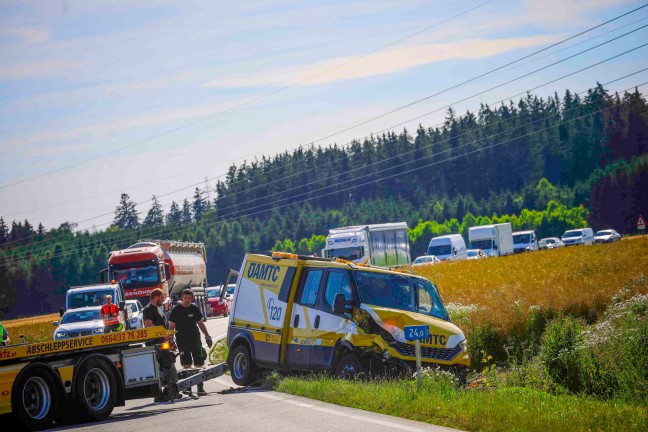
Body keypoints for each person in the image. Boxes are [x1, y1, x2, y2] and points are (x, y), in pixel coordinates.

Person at [168, 289, 212, 397]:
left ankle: (200, 389)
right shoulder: (176, 310)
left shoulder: (194, 308)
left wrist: (207, 336)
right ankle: (188, 389)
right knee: (187, 365)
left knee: (199, 364)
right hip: (182, 341)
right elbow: (172, 326)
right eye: (185, 298)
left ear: (192, 298)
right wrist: (171, 340)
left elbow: (200, 323)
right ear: (182, 298)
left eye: (189, 298)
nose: (187, 300)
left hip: (195, 340)